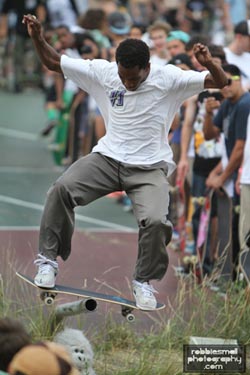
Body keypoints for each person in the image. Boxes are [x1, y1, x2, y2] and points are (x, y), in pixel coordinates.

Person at [23, 13, 228, 310]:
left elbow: (221, 82)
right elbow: (55, 62)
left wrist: (209, 62)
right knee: (61, 189)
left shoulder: (168, 78)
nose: (128, 83)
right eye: (123, 77)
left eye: (134, 78)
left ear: (147, 67)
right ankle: (47, 261)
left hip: (149, 168)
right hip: (107, 159)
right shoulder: (104, 72)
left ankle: (143, 281)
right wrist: (38, 38)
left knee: (156, 220)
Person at [204, 64, 250, 276]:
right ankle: (231, 276)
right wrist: (207, 113)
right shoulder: (228, 103)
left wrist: (222, 176)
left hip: (242, 175)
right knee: (233, 228)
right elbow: (210, 134)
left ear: (240, 79)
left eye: (229, 81)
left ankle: (238, 278)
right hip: (235, 173)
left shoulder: (244, 104)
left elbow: (241, 147)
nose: (225, 87)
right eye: (220, 84)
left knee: (241, 231)